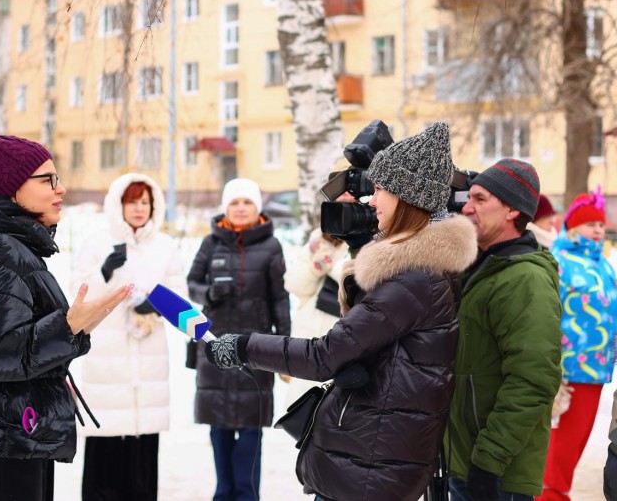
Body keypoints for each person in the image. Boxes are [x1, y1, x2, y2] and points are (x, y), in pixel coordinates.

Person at [203, 122, 479, 501]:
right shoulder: (419, 272)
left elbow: (324, 356)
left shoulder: (413, 281)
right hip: (373, 458)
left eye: (380, 190)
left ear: (406, 197)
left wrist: (246, 346)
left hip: (371, 467)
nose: (373, 201)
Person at [0, 125, 131, 501]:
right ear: (13, 188)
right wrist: (66, 327)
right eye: (47, 179)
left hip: (14, 432)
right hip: (3, 439)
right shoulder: (0, 254)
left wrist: (71, 333)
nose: (61, 189)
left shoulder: (14, 249)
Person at [446, 158, 562, 501]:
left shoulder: (525, 279)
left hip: (497, 475)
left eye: (480, 200)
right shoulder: (483, 268)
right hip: (468, 461)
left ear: (512, 210)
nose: (467, 208)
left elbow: (533, 380)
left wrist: (489, 461)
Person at [70, 173, 185, 501]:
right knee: (103, 463)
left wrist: (154, 305)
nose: (138, 208)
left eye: (145, 202)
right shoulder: (96, 243)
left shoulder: (165, 246)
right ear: (118, 205)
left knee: (141, 462)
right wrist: (104, 272)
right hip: (107, 365)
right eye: (132, 201)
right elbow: (75, 300)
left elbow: (180, 297)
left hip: (147, 365)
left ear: (154, 206)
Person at [187, 177, 292, 501]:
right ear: (225, 208)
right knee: (218, 429)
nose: (241, 208)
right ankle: (223, 493)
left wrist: (285, 349)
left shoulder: (271, 246)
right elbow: (192, 283)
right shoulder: (210, 243)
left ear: (257, 208)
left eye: (247, 202)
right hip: (214, 349)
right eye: (235, 203)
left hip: (254, 351)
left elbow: (279, 299)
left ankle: (246, 495)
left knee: (250, 430)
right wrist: (209, 292)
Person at [537, 188, 617, 501]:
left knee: (570, 458)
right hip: (567, 376)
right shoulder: (560, 260)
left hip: (596, 373)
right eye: (589, 224)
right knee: (556, 461)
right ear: (572, 228)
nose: (597, 230)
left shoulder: (604, 265)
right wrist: (553, 370)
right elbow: (547, 313)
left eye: (600, 224)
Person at [281, 194, 351, 406]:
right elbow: (293, 285)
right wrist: (315, 268)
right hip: (308, 338)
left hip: (341, 343)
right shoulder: (319, 238)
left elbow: (361, 282)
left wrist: (332, 266)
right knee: (302, 416)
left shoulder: (371, 239)